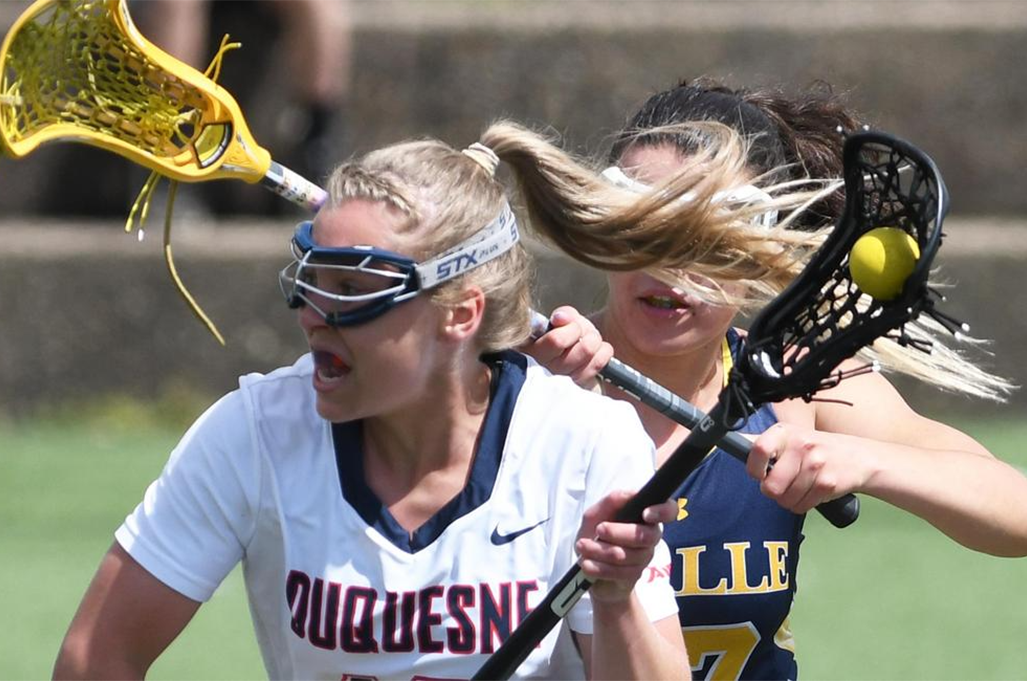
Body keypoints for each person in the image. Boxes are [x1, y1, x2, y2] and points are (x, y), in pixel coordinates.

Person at [50, 118, 806, 681]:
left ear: (461, 313)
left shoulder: (584, 440)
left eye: (354, 289)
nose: (314, 311)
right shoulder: (253, 432)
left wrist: (610, 598)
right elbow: (95, 657)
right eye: (311, 277)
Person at [526, 78, 1027, 680]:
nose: (670, 266)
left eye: (710, 239)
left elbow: (1015, 513)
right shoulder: (526, 378)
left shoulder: (790, 386)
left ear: (759, 250)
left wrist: (861, 459)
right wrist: (527, 410)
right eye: (643, 229)